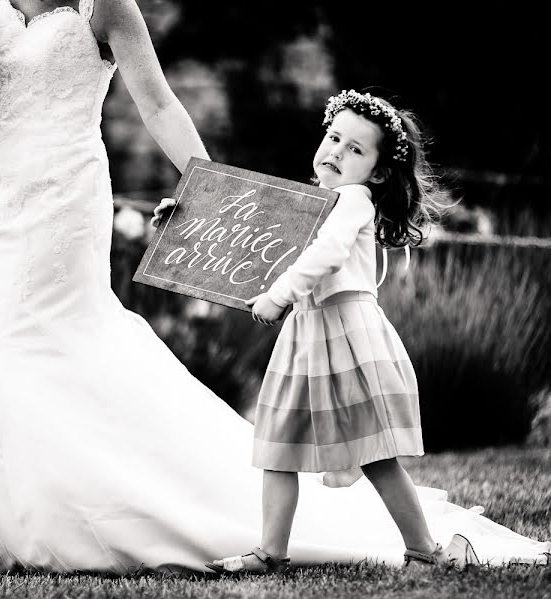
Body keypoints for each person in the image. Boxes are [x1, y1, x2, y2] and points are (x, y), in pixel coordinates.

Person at [0, 1, 551, 574]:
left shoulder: (106, 4)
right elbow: (6, 84)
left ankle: (78, 499)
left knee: (50, 328)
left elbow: (159, 104)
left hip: (64, 189)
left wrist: (213, 195)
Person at [202, 89, 477, 575]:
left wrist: (279, 295)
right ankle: (269, 553)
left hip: (344, 335)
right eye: (333, 138)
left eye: (355, 149)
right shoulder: (311, 202)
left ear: (376, 172)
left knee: (374, 453)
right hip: (307, 338)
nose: (336, 152)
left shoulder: (353, 199)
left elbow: (327, 254)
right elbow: (248, 239)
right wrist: (182, 225)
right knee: (279, 450)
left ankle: (424, 551)